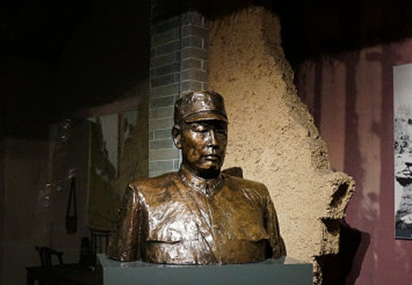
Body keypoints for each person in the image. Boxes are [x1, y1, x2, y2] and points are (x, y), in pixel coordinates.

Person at [108, 90, 286, 264]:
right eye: (201, 130)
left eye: (220, 131)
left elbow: (278, 267)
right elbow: (123, 270)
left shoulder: (256, 195)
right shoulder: (143, 196)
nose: (213, 142)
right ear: (177, 137)